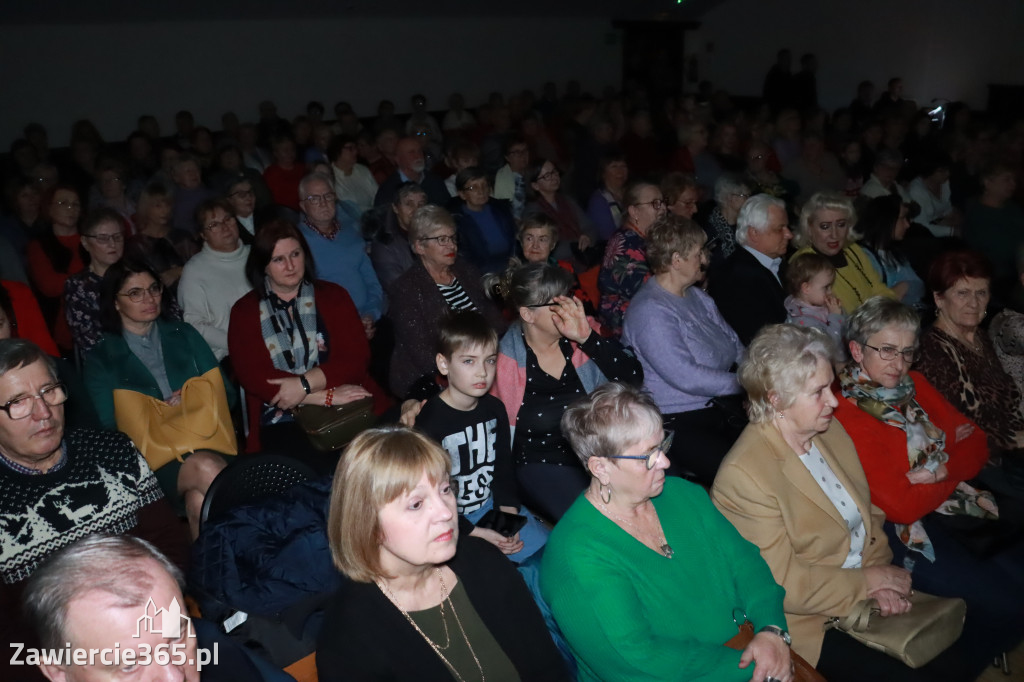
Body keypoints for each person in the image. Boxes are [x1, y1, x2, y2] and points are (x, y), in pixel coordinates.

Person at [711, 324, 972, 682]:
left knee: (955, 656)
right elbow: (780, 584)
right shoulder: (745, 476)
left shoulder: (828, 430)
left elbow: (870, 517)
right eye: (818, 392)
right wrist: (868, 583)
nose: (833, 401)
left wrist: (880, 582)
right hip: (810, 621)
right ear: (776, 400)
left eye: (830, 387)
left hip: (863, 587)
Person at [542, 382, 792, 682]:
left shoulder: (683, 494)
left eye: (663, 445)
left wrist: (772, 630)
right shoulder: (576, 557)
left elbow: (745, 562)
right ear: (601, 467)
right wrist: (754, 666)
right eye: (648, 455)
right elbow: (636, 660)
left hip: (752, 646)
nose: (665, 461)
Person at [835, 297, 1024, 672]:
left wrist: (939, 471)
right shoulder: (845, 411)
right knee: (1008, 605)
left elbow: (978, 443)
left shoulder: (915, 383)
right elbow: (901, 506)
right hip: (900, 531)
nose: (899, 364)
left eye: (907, 352)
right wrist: (952, 458)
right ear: (857, 350)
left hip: (954, 504)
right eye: (887, 350)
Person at [0, 339, 188, 682]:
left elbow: (172, 547)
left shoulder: (113, 452)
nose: (43, 413)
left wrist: (151, 638)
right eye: (17, 403)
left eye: (49, 392)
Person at [316, 427, 569, 681]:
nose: (447, 513)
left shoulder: (483, 559)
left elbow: (546, 664)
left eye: (445, 490)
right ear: (365, 522)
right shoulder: (348, 641)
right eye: (416, 504)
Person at [84, 259, 231, 536]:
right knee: (206, 466)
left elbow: (228, 393)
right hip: (152, 459)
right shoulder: (102, 359)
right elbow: (108, 430)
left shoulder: (184, 334)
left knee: (199, 503)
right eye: (135, 293)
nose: (149, 298)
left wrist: (190, 399)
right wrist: (159, 412)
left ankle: (212, 574)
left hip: (208, 436)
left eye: (154, 288)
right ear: (115, 303)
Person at [492, 262, 643, 521]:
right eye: (556, 303)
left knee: (646, 496)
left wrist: (587, 338)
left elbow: (633, 378)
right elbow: (489, 428)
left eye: (568, 298)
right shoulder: (504, 360)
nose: (570, 308)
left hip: (598, 448)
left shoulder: (583, 332)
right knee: (594, 519)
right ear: (528, 315)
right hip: (541, 461)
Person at [228, 219, 388, 456]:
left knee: (383, 454)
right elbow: (255, 377)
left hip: (348, 401)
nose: (290, 265)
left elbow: (355, 359)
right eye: (278, 259)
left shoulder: (334, 296)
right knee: (306, 465)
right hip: (280, 415)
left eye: (295, 254)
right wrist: (322, 396)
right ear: (263, 266)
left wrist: (303, 385)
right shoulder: (244, 312)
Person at [413, 311, 549, 562]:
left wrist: (507, 514)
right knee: (495, 571)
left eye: (489, 360)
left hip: (491, 507)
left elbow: (503, 469)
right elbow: (427, 496)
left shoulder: (494, 408)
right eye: (469, 361)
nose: (482, 373)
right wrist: (477, 533)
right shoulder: (430, 423)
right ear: (444, 364)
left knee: (547, 553)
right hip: (451, 519)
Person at [623, 214, 746, 485]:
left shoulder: (697, 296)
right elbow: (686, 376)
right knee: (742, 477)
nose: (705, 258)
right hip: (678, 419)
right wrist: (746, 381)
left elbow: (735, 345)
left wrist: (759, 371)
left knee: (777, 443)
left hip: (721, 406)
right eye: (699, 252)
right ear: (676, 260)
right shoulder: (650, 312)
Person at [387, 205, 504, 399]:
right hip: (430, 379)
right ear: (419, 247)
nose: (451, 246)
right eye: (441, 239)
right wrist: (470, 369)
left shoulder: (466, 270)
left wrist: (497, 358)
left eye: (452, 238)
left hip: (480, 364)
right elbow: (423, 354)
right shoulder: (405, 289)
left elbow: (495, 321)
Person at [918, 250, 1024, 452]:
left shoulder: (980, 337)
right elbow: (955, 433)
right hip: (985, 460)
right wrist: (1015, 439)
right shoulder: (932, 352)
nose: (974, 303)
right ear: (939, 298)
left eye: (981, 293)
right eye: (962, 293)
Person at [297, 173, 383, 331]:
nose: (323, 203)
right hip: (330, 327)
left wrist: (370, 314)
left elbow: (372, 283)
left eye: (328, 196)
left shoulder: (351, 233)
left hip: (367, 320)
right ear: (303, 206)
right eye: (314, 199)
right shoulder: (297, 244)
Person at [709, 194, 793, 345]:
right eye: (780, 229)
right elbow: (762, 340)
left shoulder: (777, 264)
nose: (789, 234)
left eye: (787, 227)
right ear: (754, 233)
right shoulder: (736, 278)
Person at [790, 191, 894, 313]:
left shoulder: (853, 249)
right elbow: (836, 312)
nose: (834, 235)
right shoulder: (803, 261)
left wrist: (891, 311)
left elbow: (878, 288)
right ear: (809, 228)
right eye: (825, 226)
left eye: (841, 225)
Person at [177, 199, 252, 361]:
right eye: (214, 225)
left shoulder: (256, 255)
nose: (225, 227)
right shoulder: (195, 270)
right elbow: (195, 324)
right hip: (227, 355)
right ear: (203, 235)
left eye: (228, 219)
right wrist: (238, 343)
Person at [597, 182, 666, 338]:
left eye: (662, 202)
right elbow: (653, 292)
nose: (663, 208)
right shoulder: (628, 245)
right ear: (634, 211)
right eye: (655, 203)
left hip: (645, 312)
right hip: (626, 324)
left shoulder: (645, 239)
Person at [27, 184, 85, 351]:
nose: (71, 209)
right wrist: (90, 276)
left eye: (75, 204)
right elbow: (50, 286)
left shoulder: (91, 239)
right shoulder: (38, 245)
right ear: (49, 209)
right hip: (60, 327)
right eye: (63, 203)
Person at [64, 208, 125, 355]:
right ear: (85, 242)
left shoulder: (138, 274)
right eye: (103, 238)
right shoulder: (77, 286)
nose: (112, 244)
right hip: (109, 361)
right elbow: (90, 342)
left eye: (117, 237)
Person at [964, 163, 1024, 297]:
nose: (1012, 184)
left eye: (1014, 180)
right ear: (988, 182)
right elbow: (997, 248)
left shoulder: (1013, 208)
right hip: (995, 277)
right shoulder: (976, 212)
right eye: (1006, 179)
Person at [858, 195, 926, 310]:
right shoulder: (863, 256)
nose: (907, 224)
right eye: (903, 218)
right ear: (887, 220)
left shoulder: (894, 253)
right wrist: (901, 289)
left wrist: (903, 286)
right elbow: (873, 303)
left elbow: (919, 286)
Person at [449, 167, 517, 276]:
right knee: (502, 291)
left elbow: (515, 239)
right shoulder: (457, 221)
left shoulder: (501, 209)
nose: (481, 191)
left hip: (510, 267)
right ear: (462, 194)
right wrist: (503, 265)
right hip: (483, 274)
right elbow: (466, 262)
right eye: (473, 187)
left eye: (484, 185)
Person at [524, 158, 595, 263]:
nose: (554, 177)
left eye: (554, 171)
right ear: (535, 186)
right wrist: (576, 245)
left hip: (582, 258)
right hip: (555, 265)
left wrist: (588, 237)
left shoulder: (567, 200)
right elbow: (544, 246)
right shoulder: (533, 210)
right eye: (547, 176)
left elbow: (589, 227)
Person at [365, 182, 427, 290]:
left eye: (420, 204)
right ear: (395, 208)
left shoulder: (434, 232)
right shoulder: (384, 244)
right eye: (409, 204)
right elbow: (400, 288)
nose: (416, 210)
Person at [783, 252, 846, 357]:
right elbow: (829, 347)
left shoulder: (820, 304)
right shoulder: (802, 321)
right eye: (826, 287)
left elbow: (846, 327)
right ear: (806, 288)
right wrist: (836, 315)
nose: (830, 292)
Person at [374, 136, 450, 207]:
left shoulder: (435, 181)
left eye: (420, 151)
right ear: (398, 159)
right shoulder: (388, 190)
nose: (418, 156)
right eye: (411, 152)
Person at [908, 153, 961, 237]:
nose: (947, 174)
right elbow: (921, 225)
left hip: (942, 227)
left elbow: (948, 210)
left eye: (948, 170)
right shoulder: (916, 190)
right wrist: (952, 231)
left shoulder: (945, 183)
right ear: (929, 170)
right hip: (924, 236)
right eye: (941, 171)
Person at [704, 174, 751, 268]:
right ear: (730, 198)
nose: (749, 200)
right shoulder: (710, 231)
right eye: (744, 195)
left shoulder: (747, 225)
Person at [329, 134, 378, 213]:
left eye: (355, 148)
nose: (355, 152)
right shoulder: (329, 174)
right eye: (350, 148)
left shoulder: (363, 170)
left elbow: (376, 196)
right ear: (337, 151)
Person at [585, 152, 629, 242]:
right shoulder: (599, 201)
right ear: (603, 173)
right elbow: (607, 236)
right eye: (614, 166)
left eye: (623, 166)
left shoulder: (633, 193)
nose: (620, 171)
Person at [492, 136, 530, 220]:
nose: (522, 155)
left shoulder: (532, 171)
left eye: (525, 151)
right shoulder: (503, 178)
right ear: (507, 157)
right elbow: (504, 211)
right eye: (517, 152)